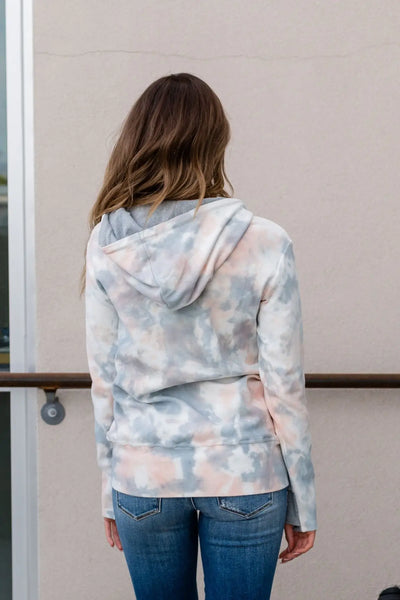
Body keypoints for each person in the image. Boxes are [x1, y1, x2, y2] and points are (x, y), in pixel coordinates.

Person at [81, 72, 317, 600]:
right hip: (245, 470)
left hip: (144, 472)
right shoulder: (264, 240)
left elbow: (105, 379)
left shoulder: (106, 242)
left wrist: (109, 487)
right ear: (215, 143)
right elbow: (284, 385)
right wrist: (303, 498)